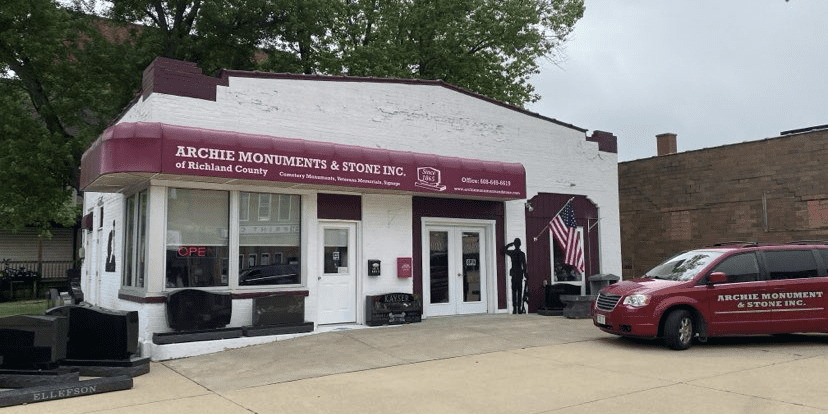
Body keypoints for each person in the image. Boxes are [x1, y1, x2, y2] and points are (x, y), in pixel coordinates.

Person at [503, 238, 528, 314]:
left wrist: (510, 244)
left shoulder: (513, 253)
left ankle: (516, 309)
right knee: (518, 292)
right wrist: (525, 274)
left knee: (515, 292)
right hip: (518, 274)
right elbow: (524, 266)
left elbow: (504, 250)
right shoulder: (521, 254)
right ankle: (518, 309)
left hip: (515, 274)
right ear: (519, 244)